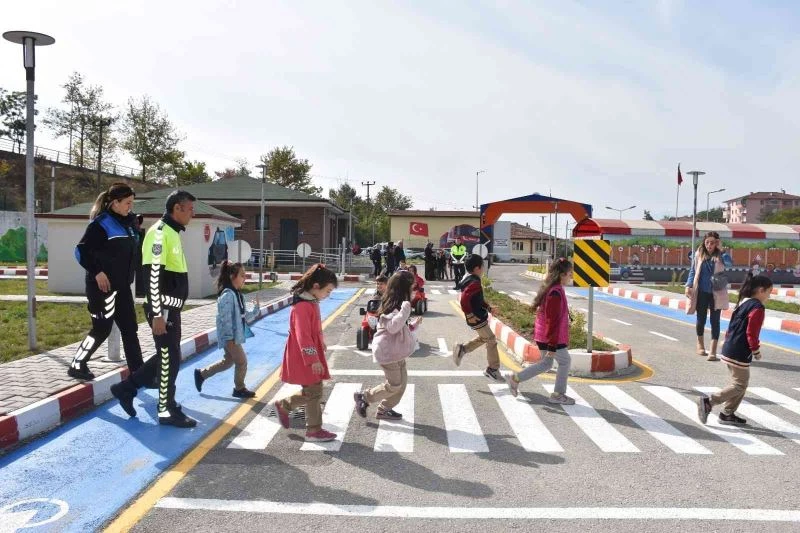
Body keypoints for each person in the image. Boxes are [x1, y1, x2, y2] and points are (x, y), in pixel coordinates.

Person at [110, 190, 198, 428]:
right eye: (190, 209)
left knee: (166, 356)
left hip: (171, 309)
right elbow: (153, 276)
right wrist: (158, 314)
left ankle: (126, 389)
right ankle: (166, 410)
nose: (192, 213)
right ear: (177, 208)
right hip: (163, 310)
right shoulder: (159, 233)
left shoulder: (172, 232)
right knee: (170, 359)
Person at [69, 183, 144, 380]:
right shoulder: (101, 224)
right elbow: (81, 251)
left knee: (130, 329)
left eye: (132, 202)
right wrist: (97, 272)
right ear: (115, 203)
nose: (130, 206)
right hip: (102, 288)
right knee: (101, 329)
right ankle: (77, 364)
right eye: (127, 203)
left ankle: (139, 372)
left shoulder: (128, 224)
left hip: (123, 287)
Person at [273, 264, 339, 442]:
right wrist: (313, 359)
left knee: (312, 390)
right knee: (314, 391)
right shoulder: (303, 306)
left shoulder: (310, 302)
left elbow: (312, 330)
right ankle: (313, 430)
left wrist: (320, 341)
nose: (328, 295)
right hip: (304, 355)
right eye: (328, 291)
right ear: (316, 286)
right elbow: (303, 336)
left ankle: (285, 406)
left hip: (307, 352)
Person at [697, 272, 772, 426]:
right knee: (740, 385)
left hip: (731, 346)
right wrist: (756, 350)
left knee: (740, 383)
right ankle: (709, 402)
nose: (769, 296)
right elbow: (751, 332)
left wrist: (726, 341)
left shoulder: (744, 302)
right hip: (739, 350)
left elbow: (733, 324)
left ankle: (727, 414)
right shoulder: (757, 307)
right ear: (761, 290)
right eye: (769, 292)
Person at [505, 258, 575, 405]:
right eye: (570, 273)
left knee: (546, 364)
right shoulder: (555, 293)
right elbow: (552, 321)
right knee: (565, 362)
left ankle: (515, 379)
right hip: (552, 337)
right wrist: (552, 346)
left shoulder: (553, 288)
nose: (571, 277)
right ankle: (558, 395)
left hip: (545, 335)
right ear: (562, 274)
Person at [354, 271, 419, 420]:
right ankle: (364, 397)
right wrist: (406, 310)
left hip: (396, 350)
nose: (413, 287)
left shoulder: (400, 302)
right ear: (404, 287)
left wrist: (413, 324)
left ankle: (384, 409)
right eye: (411, 285)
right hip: (387, 351)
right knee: (394, 385)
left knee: (401, 384)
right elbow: (393, 327)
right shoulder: (393, 305)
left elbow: (400, 326)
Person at [194, 261, 260, 399]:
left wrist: (256, 309)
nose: (245, 278)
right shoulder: (227, 296)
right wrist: (229, 338)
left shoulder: (238, 295)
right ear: (232, 276)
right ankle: (239, 389)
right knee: (242, 361)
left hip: (234, 336)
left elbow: (243, 316)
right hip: (230, 337)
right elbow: (224, 320)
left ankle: (201, 374)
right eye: (242, 275)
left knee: (228, 362)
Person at [452, 254, 503, 381]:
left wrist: (489, 308)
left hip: (477, 316)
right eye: (483, 266)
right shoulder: (474, 282)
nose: (484, 268)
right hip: (476, 317)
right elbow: (464, 299)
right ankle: (493, 369)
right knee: (491, 340)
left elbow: (477, 299)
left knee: (484, 338)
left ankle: (462, 349)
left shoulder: (470, 278)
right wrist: (470, 315)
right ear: (477, 268)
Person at [685, 231, 731, 361]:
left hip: (717, 292)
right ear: (704, 243)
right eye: (707, 242)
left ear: (716, 243)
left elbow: (729, 264)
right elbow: (693, 271)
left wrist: (722, 250)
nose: (709, 245)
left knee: (715, 321)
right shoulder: (699, 254)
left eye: (712, 243)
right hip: (702, 292)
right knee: (701, 319)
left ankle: (713, 351)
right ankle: (700, 345)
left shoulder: (721, 255)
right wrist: (688, 285)